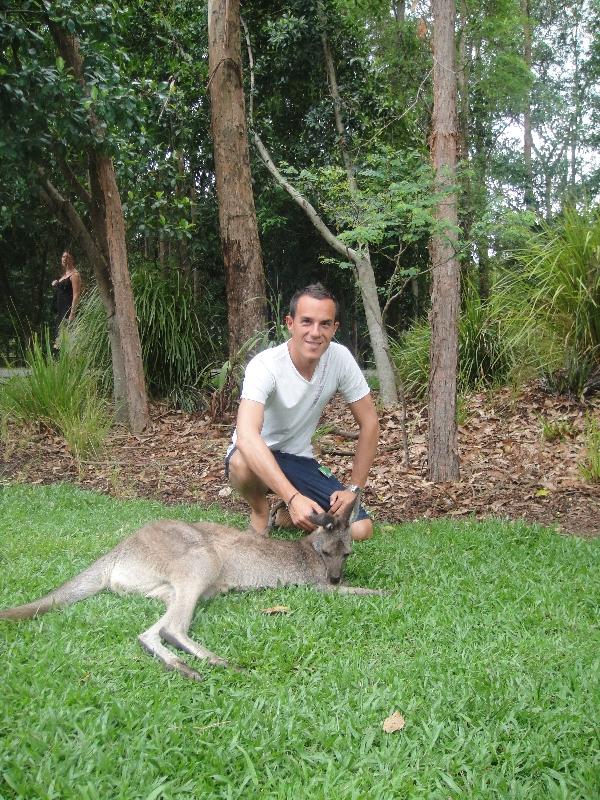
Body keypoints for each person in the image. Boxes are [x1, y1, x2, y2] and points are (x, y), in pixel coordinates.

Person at [225, 283, 380, 541]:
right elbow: (246, 436)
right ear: (290, 323)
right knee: (240, 462)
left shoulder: (340, 359)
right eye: (306, 321)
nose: (315, 332)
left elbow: (370, 423)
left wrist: (354, 488)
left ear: (334, 328)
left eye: (325, 324)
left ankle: (284, 516)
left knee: (361, 529)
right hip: (256, 455)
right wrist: (293, 496)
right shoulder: (265, 365)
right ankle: (261, 511)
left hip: (298, 460)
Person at [52, 251, 81, 350]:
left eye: (67, 257)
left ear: (72, 260)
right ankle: (60, 364)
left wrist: (72, 313)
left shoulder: (74, 274)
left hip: (68, 311)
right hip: (60, 312)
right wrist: (56, 283)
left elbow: (76, 294)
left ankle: (70, 364)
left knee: (67, 341)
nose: (64, 259)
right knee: (58, 341)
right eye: (63, 256)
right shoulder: (64, 275)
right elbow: (63, 290)